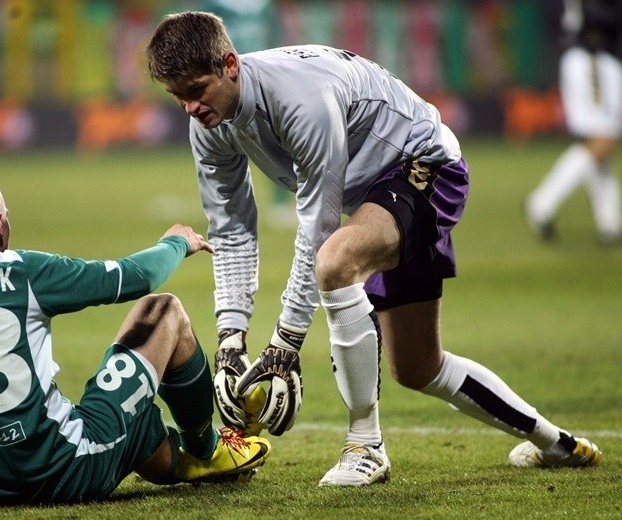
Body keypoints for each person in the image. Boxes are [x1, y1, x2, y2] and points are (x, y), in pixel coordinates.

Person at [145, 11, 602, 487]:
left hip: (425, 166)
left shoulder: (302, 99)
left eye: (197, 90)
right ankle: (556, 443)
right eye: (178, 97)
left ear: (230, 65)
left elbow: (318, 228)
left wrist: (285, 344)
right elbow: (233, 230)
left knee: (336, 261)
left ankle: (366, 446)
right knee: (419, 367)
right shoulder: (208, 125)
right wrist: (230, 341)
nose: (190, 107)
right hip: (375, 198)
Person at [0, 173, 270, 505]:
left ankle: (175, 454)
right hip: (56, 470)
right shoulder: (20, 270)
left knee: (133, 424)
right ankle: (207, 449)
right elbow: (136, 278)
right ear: (0, 225)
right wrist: (177, 242)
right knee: (163, 311)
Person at [525, 0, 622, 244]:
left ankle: (609, 224)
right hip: (592, 55)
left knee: (600, 144)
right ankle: (542, 203)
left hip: (589, 55)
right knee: (604, 140)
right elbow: (601, 15)